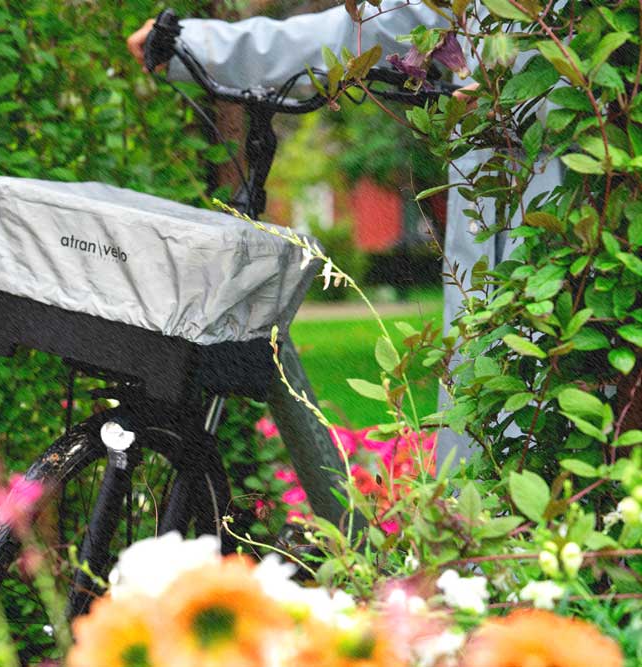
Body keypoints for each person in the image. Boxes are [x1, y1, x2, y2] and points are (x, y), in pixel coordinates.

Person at [125, 3, 562, 514]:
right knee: (480, 481)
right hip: (497, 250)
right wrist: (194, 45)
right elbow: (359, 32)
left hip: (576, 259)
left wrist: (525, 97)